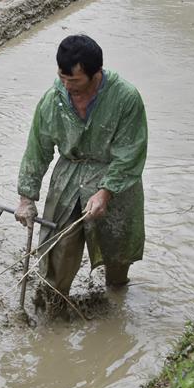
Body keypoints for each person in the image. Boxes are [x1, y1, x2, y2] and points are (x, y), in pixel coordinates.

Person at [15, 34, 147, 315]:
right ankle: (53, 304)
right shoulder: (54, 100)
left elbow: (130, 154)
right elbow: (37, 149)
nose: (67, 86)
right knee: (58, 246)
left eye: (74, 81)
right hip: (70, 175)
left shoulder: (126, 99)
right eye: (62, 78)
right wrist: (26, 197)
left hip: (113, 176)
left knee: (117, 248)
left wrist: (106, 192)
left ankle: (117, 297)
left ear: (95, 73)